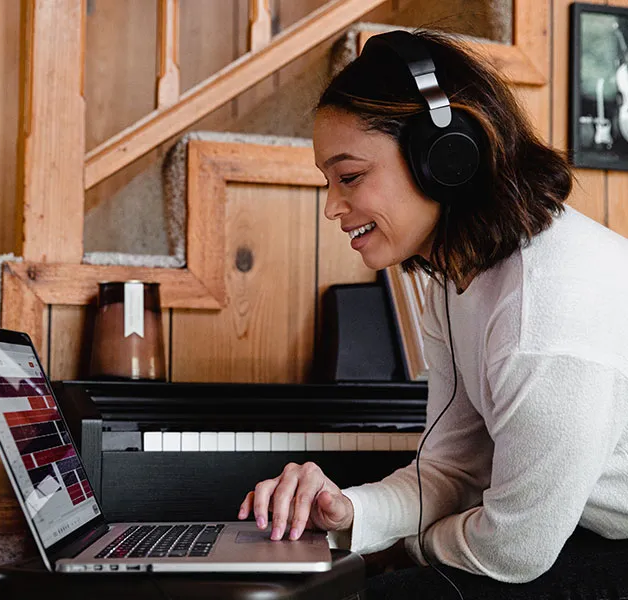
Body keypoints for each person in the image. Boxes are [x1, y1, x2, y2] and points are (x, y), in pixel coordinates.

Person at [237, 28, 628, 599]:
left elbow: (514, 551)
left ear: (445, 158)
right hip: (571, 532)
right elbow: (453, 470)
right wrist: (350, 515)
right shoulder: (456, 276)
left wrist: (404, 548)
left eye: (349, 177)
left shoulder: (544, 321)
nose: (331, 207)